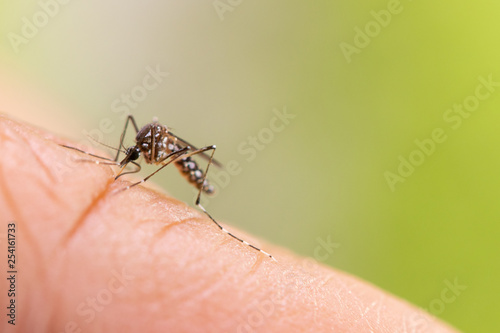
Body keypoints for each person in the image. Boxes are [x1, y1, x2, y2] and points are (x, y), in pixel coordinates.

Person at [0, 114, 460, 332]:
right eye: (133, 154)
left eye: (134, 153)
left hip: (186, 159)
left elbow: (162, 148)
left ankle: (202, 207)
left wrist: (151, 172)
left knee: (181, 155)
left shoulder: (162, 150)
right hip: (163, 149)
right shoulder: (141, 140)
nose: (134, 156)